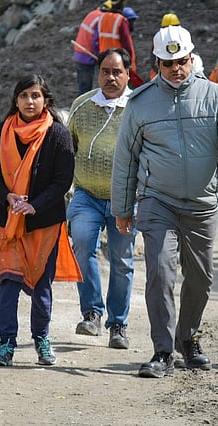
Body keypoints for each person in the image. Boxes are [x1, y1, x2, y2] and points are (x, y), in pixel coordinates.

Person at [111, 24, 218, 378]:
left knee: (201, 279)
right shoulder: (140, 104)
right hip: (158, 201)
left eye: (182, 61)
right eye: (168, 62)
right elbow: (125, 158)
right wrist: (122, 208)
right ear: (156, 62)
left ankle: (187, 337)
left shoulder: (217, 97)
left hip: (203, 205)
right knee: (159, 272)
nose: (176, 68)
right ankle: (162, 351)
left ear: (192, 58)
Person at [0, 74, 79, 367]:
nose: (29, 101)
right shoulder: (1, 132)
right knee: (8, 282)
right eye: (24, 96)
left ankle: (42, 339)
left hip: (44, 222)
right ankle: (6, 344)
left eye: (35, 96)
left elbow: (63, 179)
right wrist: (7, 197)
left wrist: (35, 205)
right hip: (8, 220)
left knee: (42, 285)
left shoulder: (58, 135)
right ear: (15, 99)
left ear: (45, 99)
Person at [66, 48, 138, 349]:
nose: (110, 77)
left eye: (117, 72)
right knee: (82, 246)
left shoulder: (138, 106)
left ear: (128, 73)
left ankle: (118, 325)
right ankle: (92, 313)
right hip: (86, 195)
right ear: (98, 73)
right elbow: (68, 148)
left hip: (125, 199)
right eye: (105, 71)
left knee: (121, 261)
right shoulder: (82, 106)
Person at [95, 0, 138, 81]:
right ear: (122, 3)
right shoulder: (121, 20)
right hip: (118, 63)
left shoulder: (102, 18)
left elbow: (97, 40)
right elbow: (127, 45)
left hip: (105, 61)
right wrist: (129, 64)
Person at [72, 0, 112, 94]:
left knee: (82, 85)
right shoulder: (101, 19)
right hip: (87, 57)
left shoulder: (93, 13)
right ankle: (81, 108)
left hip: (79, 54)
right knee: (85, 88)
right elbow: (96, 41)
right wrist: (100, 56)